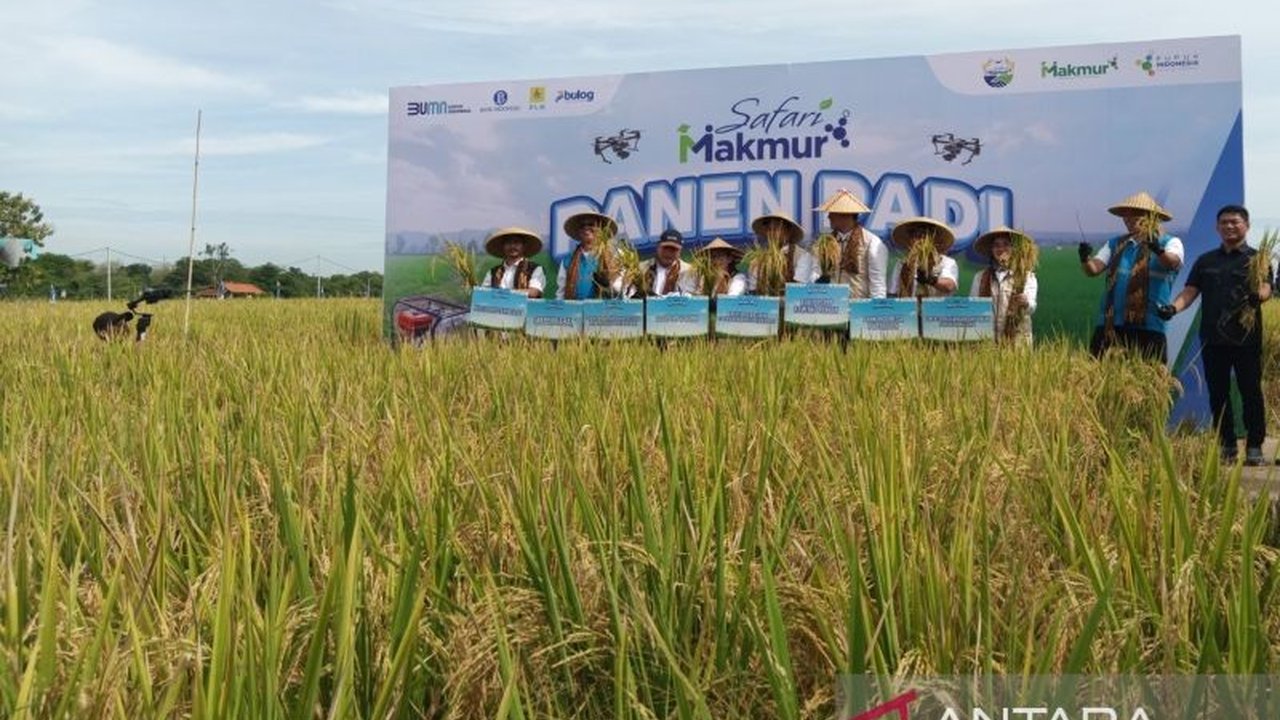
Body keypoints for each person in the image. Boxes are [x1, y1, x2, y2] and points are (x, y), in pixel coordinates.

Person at [1157, 205, 1271, 465]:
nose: (1230, 227)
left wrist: (1259, 297)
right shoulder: (1206, 261)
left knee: (1250, 391)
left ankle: (1254, 445)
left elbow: (1266, 287)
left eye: (1235, 222)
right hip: (1213, 339)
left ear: (1247, 226)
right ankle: (1227, 445)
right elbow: (1190, 291)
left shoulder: (1258, 259)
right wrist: (1172, 308)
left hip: (1246, 339)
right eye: (1224, 223)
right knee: (1218, 393)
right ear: (1217, 227)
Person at [1079, 191, 1184, 362]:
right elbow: (1094, 269)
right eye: (1126, 215)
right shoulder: (1115, 244)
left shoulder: (1170, 242)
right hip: (1111, 324)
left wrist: (1157, 249)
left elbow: (1172, 263)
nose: (1129, 219)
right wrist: (1085, 258)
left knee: (1149, 377)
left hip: (1149, 325)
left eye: (1135, 214)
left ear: (1151, 217)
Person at [970, 226, 1039, 345]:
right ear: (992, 250)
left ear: (1014, 249)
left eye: (1006, 244)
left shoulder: (1026, 277)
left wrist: (1025, 302)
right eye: (996, 245)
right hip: (987, 343)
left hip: (1017, 342)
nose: (1001, 249)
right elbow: (973, 307)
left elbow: (1031, 306)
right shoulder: (980, 277)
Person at [814, 188, 888, 298]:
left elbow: (878, 285)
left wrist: (873, 311)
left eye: (832, 213)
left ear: (845, 215)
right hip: (831, 308)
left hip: (859, 309)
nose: (828, 217)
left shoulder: (872, 242)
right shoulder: (827, 242)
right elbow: (815, 272)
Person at [556, 211, 623, 300]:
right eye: (582, 226)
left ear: (601, 229)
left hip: (606, 312)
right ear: (579, 231)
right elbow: (561, 293)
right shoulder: (568, 260)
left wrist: (608, 285)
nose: (586, 228)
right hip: (575, 312)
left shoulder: (615, 256)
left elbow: (621, 290)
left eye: (591, 224)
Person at [887, 216, 958, 297]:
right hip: (909, 308)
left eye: (925, 235)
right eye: (916, 234)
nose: (920, 239)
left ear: (934, 240)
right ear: (910, 239)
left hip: (937, 309)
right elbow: (892, 293)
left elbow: (949, 286)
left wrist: (930, 280)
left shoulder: (946, 262)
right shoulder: (902, 264)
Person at [746, 212, 817, 294]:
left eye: (776, 229)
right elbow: (753, 288)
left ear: (788, 232)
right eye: (769, 229)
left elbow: (799, 289)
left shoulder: (802, 256)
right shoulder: (757, 261)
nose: (772, 233)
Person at [483, 227, 545, 298]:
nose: (512, 246)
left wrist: (505, 294)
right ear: (503, 247)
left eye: (516, 242)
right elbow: (484, 292)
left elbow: (534, 292)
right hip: (497, 308)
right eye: (508, 243)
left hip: (525, 308)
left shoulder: (535, 269)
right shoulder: (493, 272)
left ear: (524, 246)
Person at [635, 229, 699, 297]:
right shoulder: (640, 269)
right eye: (665, 248)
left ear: (680, 251)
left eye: (673, 249)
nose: (668, 253)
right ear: (658, 246)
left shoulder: (690, 272)